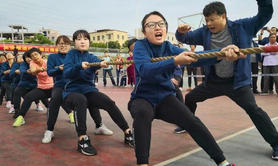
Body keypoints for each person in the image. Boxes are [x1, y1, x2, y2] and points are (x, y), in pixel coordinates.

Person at [129, 11, 239, 166]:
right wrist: (174, 61)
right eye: (151, 25)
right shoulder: (140, 46)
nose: (157, 27)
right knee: (142, 113)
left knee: (192, 121)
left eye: (161, 24)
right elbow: (145, 70)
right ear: (144, 31)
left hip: (165, 98)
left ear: (166, 29)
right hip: (142, 98)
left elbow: (195, 58)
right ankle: (142, 163)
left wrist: (221, 54)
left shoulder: (169, 47)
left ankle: (222, 161)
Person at [175, 0, 278, 160]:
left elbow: (265, 14)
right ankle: (186, 123)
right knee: (190, 98)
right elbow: (186, 38)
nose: (209, 23)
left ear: (223, 16)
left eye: (212, 19)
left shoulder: (243, 26)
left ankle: (276, 143)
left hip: (237, 83)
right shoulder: (204, 32)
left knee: (254, 110)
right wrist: (180, 33)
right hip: (214, 82)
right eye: (206, 20)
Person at [63, 30, 134, 156]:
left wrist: (101, 64)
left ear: (89, 42)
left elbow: (98, 62)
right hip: (72, 91)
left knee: (108, 102)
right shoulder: (71, 55)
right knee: (81, 100)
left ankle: (127, 132)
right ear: (74, 42)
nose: (83, 41)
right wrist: (79, 66)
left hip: (89, 90)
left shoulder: (91, 57)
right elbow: (67, 73)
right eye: (79, 39)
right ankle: (82, 139)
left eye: (85, 39)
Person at [13, 48, 53, 127]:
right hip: (38, 87)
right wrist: (39, 70)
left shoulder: (47, 62)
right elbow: (33, 71)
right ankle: (20, 116)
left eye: (36, 54)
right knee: (27, 97)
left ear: (40, 55)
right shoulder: (31, 63)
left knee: (59, 98)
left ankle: (70, 114)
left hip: (52, 86)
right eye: (32, 56)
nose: (34, 57)